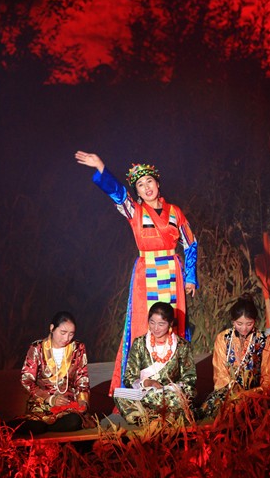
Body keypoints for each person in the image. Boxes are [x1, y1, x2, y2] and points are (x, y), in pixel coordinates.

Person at [75, 151, 198, 395]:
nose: (146, 187)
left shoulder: (175, 212)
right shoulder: (134, 211)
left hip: (173, 272)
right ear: (138, 192)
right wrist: (101, 167)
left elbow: (190, 243)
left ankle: (174, 385)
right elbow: (118, 193)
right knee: (144, 324)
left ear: (158, 184)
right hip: (146, 273)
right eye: (140, 185)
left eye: (149, 181)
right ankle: (138, 386)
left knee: (173, 323)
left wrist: (191, 277)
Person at [113, 302, 197, 426]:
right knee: (120, 396)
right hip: (146, 394)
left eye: (161, 324)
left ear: (171, 323)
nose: (155, 328)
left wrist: (171, 388)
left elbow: (190, 378)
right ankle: (166, 417)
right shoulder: (139, 343)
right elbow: (129, 377)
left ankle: (150, 418)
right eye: (152, 322)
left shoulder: (181, 345)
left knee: (185, 396)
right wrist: (147, 383)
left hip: (170, 395)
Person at [196, 298, 270, 421]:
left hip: (254, 395)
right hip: (228, 394)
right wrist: (235, 396)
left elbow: (268, 377)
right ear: (233, 321)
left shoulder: (264, 340)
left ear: (255, 321)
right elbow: (220, 376)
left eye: (249, 324)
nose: (244, 328)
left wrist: (251, 394)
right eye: (239, 324)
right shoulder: (223, 339)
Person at [15, 311, 93, 435]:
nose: (66, 338)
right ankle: (34, 424)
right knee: (36, 426)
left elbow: (82, 378)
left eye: (71, 334)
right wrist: (49, 399)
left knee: (75, 421)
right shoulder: (37, 348)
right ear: (52, 328)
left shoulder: (77, 348)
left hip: (67, 406)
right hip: (42, 404)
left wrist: (83, 401)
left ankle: (45, 426)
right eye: (63, 333)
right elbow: (26, 380)